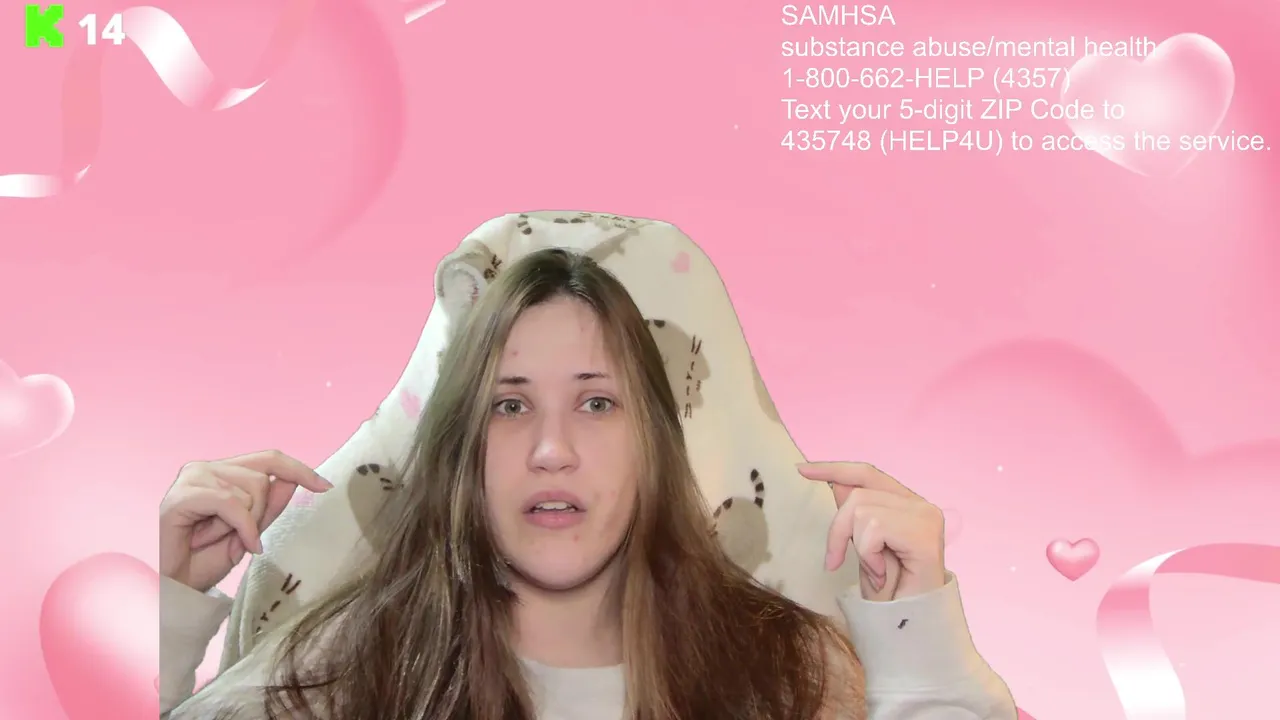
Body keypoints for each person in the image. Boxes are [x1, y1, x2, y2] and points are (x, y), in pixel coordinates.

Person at [159, 248, 1017, 719]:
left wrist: (922, 647)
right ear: (461, 451)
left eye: (597, 402)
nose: (552, 449)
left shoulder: (790, 675)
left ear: (654, 444)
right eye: (509, 407)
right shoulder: (350, 669)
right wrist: (163, 616)